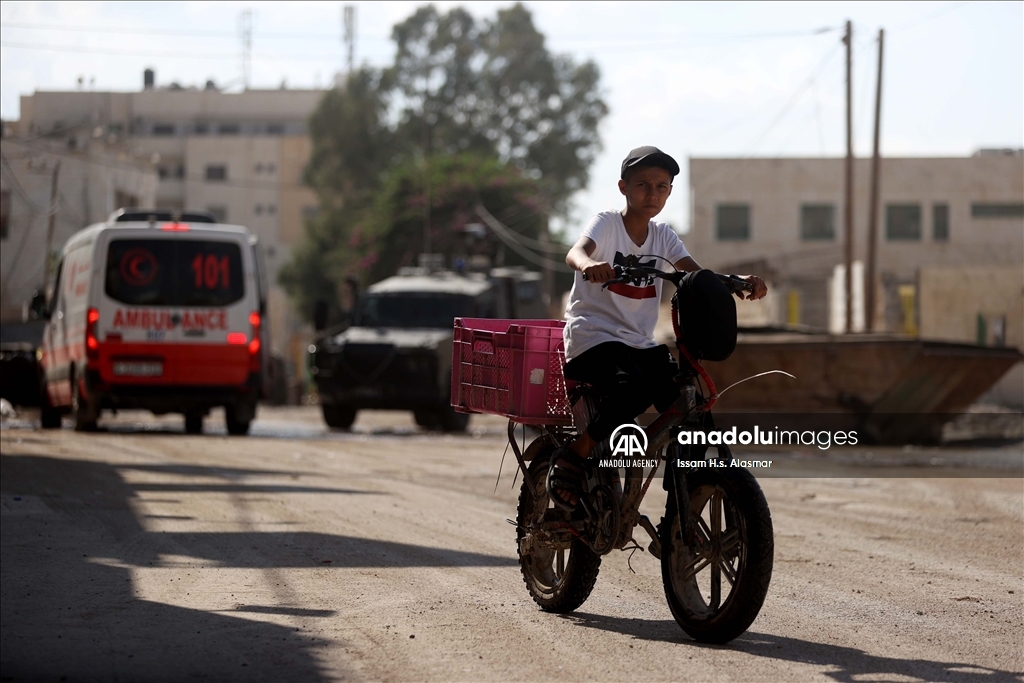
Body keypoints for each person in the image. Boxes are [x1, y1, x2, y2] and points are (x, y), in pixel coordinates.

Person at [548, 145, 767, 510]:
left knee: (687, 401)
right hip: (592, 340)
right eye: (643, 185)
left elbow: (696, 276)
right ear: (623, 187)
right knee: (636, 387)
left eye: (661, 187)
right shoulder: (607, 223)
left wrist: (737, 282)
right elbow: (576, 252)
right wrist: (589, 264)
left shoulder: (663, 236)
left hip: (638, 345)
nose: (652, 194)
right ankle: (577, 452)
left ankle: (686, 496)